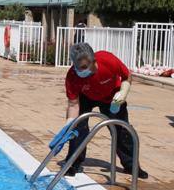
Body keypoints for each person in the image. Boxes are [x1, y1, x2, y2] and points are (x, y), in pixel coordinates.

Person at [63, 42, 148, 179]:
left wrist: (123, 92)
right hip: (86, 97)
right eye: (77, 67)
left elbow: (127, 76)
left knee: (122, 130)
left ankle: (131, 166)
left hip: (112, 97)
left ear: (93, 61)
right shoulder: (73, 75)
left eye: (84, 67)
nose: (80, 71)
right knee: (78, 128)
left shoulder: (108, 60)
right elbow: (73, 104)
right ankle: (73, 163)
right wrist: (69, 124)